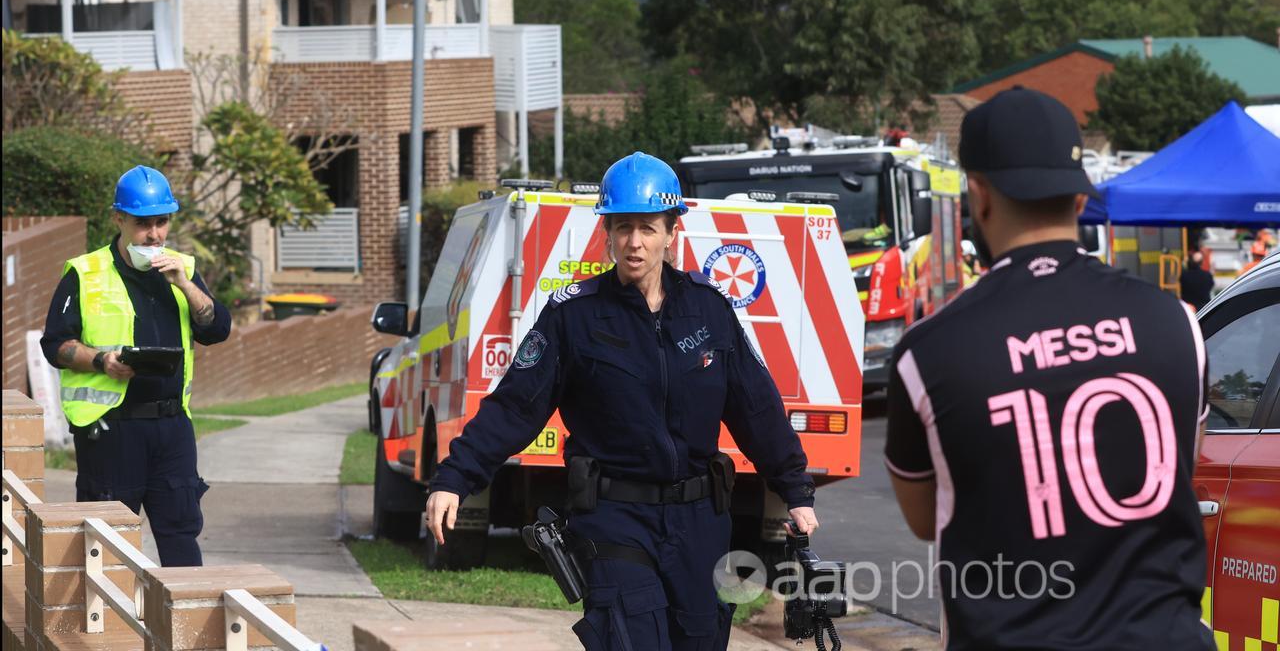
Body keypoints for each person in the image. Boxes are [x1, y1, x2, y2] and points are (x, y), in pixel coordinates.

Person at [425, 152, 818, 650]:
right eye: (623, 227)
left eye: (648, 228)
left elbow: (756, 408)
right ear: (607, 232)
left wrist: (795, 490)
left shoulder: (709, 309)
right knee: (632, 638)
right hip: (614, 517)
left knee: (699, 638)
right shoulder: (574, 316)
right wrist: (455, 478)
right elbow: (515, 406)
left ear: (672, 231)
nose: (635, 242)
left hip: (698, 521)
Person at [884, 89, 1213, 650]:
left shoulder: (929, 350)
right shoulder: (1177, 322)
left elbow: (924, 517)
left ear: (979, 195)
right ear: (1080, 200)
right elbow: (1182, 461)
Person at [41, 165, 231, 567]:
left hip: (172, 427)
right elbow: (55, 344)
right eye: (144, 224)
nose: (155, 234)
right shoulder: (86, 273)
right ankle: (110, 629)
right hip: (112, 427)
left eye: (162, 222)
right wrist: (100, 360)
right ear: (119, 219)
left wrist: (185, 284)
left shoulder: (183, 269)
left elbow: (217, 328)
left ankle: (182, 626)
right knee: (106, 542)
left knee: (181, 530)